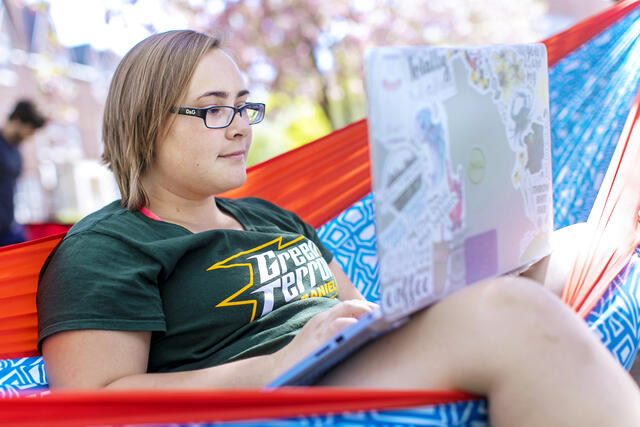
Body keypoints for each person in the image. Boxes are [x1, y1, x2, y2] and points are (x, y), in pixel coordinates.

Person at [36, 30, 640, 427]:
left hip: (349, 361)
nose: (242, 126)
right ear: (144, 123)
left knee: (589, 249)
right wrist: (274, 364)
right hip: (285, 398)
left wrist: (465, 274)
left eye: (244, 105)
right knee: (513, 313)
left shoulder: (267, 216)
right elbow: (93, 403)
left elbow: (356, 309)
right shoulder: (107, 248)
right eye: (214, 108)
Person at [0, 100, 46, 246]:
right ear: (17, 120)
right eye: (29, 130)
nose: (30, 136)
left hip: (8, 228)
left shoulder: (16, 152)